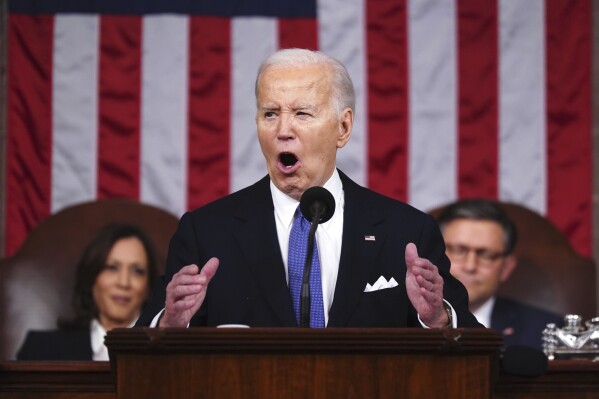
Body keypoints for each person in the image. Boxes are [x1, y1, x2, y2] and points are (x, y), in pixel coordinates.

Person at [136, 48, 481, 330]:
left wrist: (436, 318)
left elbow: (472, 344)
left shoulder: (406, 231)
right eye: (270, 114)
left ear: (343, 127)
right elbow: (143, 345)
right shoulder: (206, 232)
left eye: (302, 113)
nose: (283, 130)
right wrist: (170, 323)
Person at [17, 223, 159, 360]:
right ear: (92, 279)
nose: (124, 283)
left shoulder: (165, 354)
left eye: (137, 271)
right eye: (112, 267)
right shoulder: (40, 350)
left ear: (148, 287)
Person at [436, 198, 563, 349]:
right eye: (458, 250)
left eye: (486, 255)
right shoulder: (402, 319)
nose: (470, 266)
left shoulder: (544, 331)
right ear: (435, 256)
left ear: (506, 268)